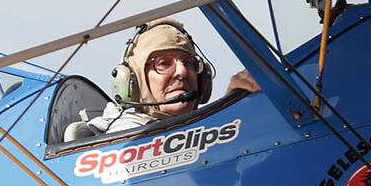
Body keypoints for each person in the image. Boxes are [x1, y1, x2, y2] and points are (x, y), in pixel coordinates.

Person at [64, 19, 258, 140]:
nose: (181, 72)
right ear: (133, 81)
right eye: (163, 64)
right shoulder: (128, 134)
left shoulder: (192, 131)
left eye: (189, 63)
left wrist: (234, 104)